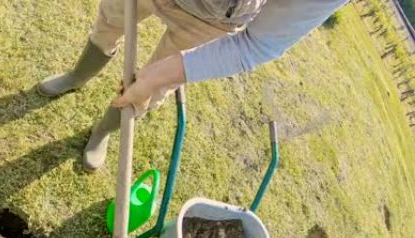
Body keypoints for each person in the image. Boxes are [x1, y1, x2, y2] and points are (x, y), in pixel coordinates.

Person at [38, 0, 349, 171]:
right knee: (109, 24)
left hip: (212, 19)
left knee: (151, 90)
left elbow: (257, 43)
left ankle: (102, 131)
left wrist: (156, 78)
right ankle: (76, 78)